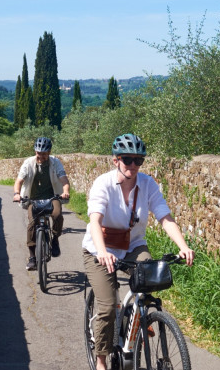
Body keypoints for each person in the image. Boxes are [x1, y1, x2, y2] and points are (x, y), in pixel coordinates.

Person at [81, 133, 194, 370]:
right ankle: (101, 360)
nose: (132, 165)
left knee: (149, 277)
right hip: (99, 249)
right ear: (116, 160)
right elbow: (95, 220)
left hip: (132, 246)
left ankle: (137, 320)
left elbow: (165, 217)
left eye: (138, 160)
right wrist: (102, 251)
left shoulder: (148, 184)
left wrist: (183, 246)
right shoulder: (103, 184)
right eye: (127, 159)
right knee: (107, 306)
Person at [13, 137, 71, 270]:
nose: (41, 156)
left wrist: (65, 191)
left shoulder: (55, 162)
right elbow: (19, 181)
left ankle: (55, 239)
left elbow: (64, 179)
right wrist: (17, 193)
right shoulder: (28, 163)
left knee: (57, 215)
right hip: (33, 198)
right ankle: (32, 257)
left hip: (52, 197)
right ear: (35, 151)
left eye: (44, 154)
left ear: (49, 152)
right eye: (38, 153)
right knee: (32, 224)